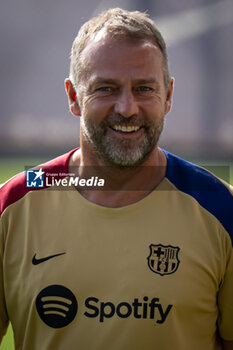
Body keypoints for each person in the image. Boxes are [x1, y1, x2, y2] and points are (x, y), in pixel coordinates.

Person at [0, 7, 233, 350]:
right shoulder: (13, 203)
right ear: (74, 97)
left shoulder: (220, 208)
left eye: (144, 89)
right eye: (106, 88)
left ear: (168, 95)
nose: (127, 108)